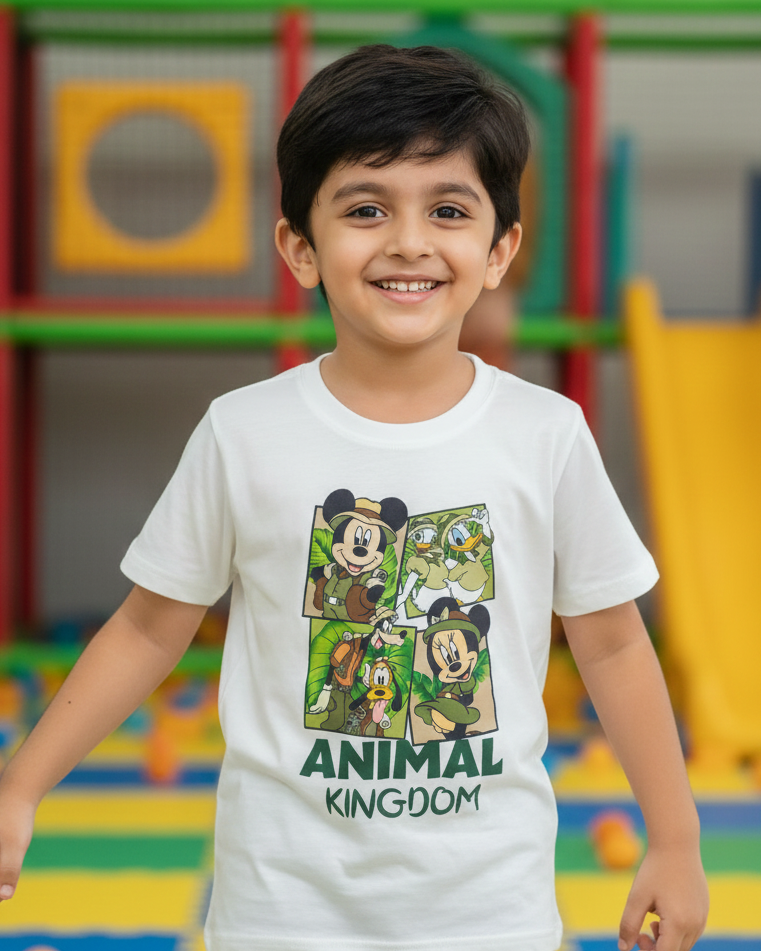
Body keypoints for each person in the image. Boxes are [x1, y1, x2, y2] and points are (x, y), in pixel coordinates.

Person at [0, 44, 708, 951]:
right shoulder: (242, 432)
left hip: (488, 912)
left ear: (499, 252)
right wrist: (21, 786)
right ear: (299, 246)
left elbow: (612, 643)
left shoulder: (547, 435)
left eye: (447, 210)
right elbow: (147, 629)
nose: (408, 241)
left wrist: (678, 838)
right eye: (366, 209)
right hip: (282, 910)